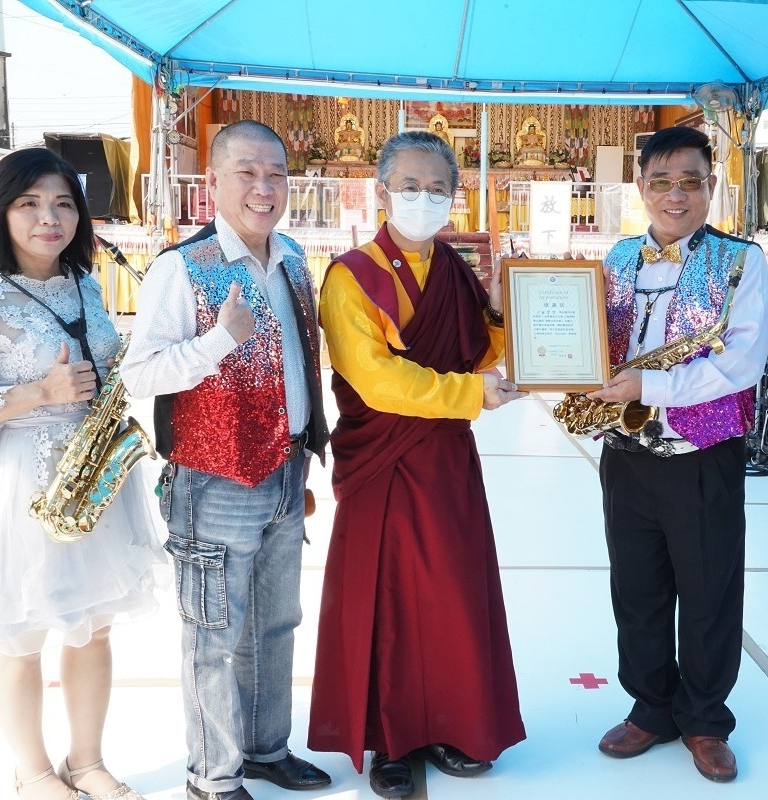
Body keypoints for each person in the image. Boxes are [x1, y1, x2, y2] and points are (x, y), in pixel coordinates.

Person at [0, 148, 161, 800]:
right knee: (22, 632)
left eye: (61, 204)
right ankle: (31, 771)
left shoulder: (84, 282)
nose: (48, 218)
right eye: (29, 204)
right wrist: (39, 392)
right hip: (24, 486)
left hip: (96, 479)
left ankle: (87, 761)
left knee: (93, 626)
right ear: (1, 213)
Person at [308, 130, 526, 798]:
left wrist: (510, 318)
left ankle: (451, 724)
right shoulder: (352, 276)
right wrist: (469, 394)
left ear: (454, 196)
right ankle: (388, 740)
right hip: (384, 462)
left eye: (438, 188)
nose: (425, 199)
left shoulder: (458, 271)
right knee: (387, 600)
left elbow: (482, 349)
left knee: (451, 594)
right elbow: (376, 381)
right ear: (381, 191)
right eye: (411, 186)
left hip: (445, 459)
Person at [122, 120, 331, 800]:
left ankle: (268, 748)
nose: (264, 187)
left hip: (284, 470)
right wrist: (217, 342)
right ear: (211, 183)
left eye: (275, 173)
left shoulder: (294, 259)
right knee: (212, 636)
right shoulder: (181, 268)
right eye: (246, 172)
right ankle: (212, 776)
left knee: (276, 622)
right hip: (213, 482)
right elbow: (140, 374)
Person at [584, 126, 768, 783]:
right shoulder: (614, 261)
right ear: (640, 187)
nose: (675, 194)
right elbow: (585, 339)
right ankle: (651, 707)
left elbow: (745, 362)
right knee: (635, 589)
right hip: (626, 452)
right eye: (660, 181)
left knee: (708, 593)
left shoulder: (740, 262)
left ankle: (703, 719)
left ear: (710, 187)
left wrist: (653, 386)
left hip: (703, 455)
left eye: (689, 181)